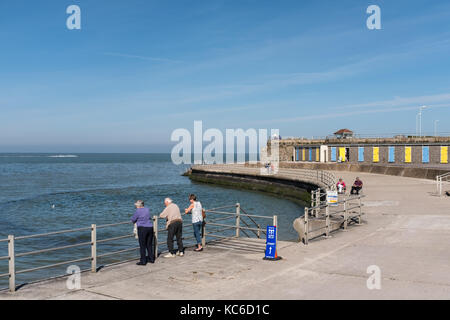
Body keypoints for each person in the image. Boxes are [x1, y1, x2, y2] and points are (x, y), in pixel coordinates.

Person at [130, 200, 154, 265]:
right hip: (150, 227)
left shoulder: (138, 211)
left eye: (136, 206)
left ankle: (143, 261)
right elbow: (149, 217)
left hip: (142, 228)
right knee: (149, 244)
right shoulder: (147, 209)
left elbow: (133, 219)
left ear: (139, 205)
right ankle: (151, 258)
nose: (136, 207)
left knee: (142, 245)